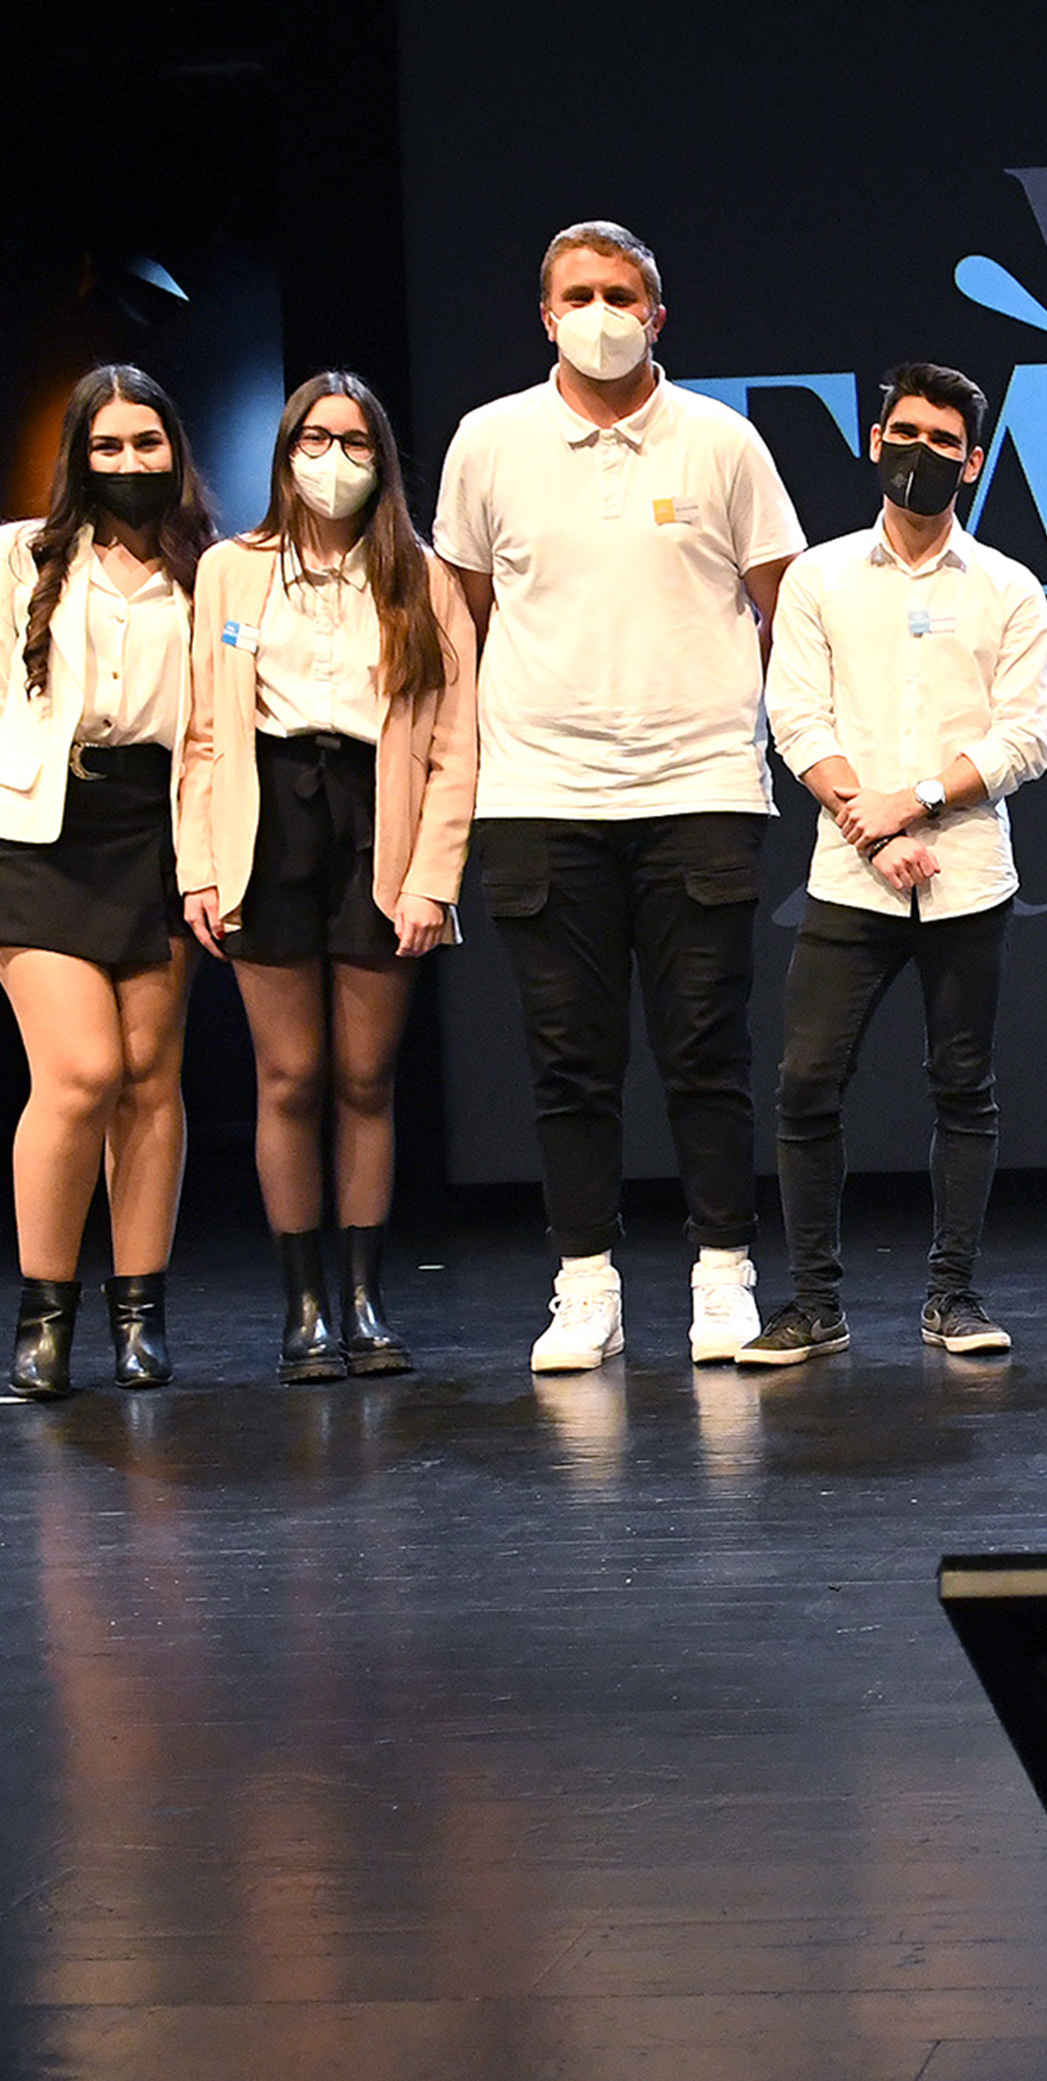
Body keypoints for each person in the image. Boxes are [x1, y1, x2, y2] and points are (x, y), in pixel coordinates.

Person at [433, 220, 806, 1372]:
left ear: (657, 314)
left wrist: (735, 714)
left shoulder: (720, 440)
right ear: (547, 316)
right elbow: (462, 620)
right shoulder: (489, 441)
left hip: (699, 788)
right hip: (541, 795)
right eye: (579, 296)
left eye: (622, 295)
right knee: (569, 1060)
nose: (602, 315)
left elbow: (787, 608)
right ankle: (584, 1286)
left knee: (706, 1050)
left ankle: (723, 1276)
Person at [741, 362, 1047, 1368]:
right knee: (806, 1083)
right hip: (850, 874)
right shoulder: (820, 578)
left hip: (965, 873)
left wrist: (912, 803)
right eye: (905, 434)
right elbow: (797, 718)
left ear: (973, 460)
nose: (922, 453)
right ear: (875, 442)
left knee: (962, 1086)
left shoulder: (1008, 588)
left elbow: (1024, 739)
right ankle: (813, 1304)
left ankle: (953, 1296)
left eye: (943, 442)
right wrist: (870, 826)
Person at [179, 373, 476, 1380]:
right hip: (266, 821)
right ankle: (304, 1309)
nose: (333, 461)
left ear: (381, 460)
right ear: (285, 452)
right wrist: (200, 868)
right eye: (314, 440)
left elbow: (454, 748)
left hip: (375, 821)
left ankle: (364, 1301)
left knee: (363, 1077)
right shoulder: (231, 571)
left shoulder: (423, 578)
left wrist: (433, 878)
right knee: (291, 1075)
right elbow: (203, 735)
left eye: (354, 443)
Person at [0, 365, 213, 1399]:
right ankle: (44, 1311)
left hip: (160, 829)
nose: (129, 462)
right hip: (42, 828)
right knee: (80, 1073)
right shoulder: (21, 553)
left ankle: (139, 1314)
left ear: (174, 450)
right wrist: (12, 800)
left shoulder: (211, 566)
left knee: (149, 1078)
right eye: (107, 446)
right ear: (78, 456)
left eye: (146, 443)